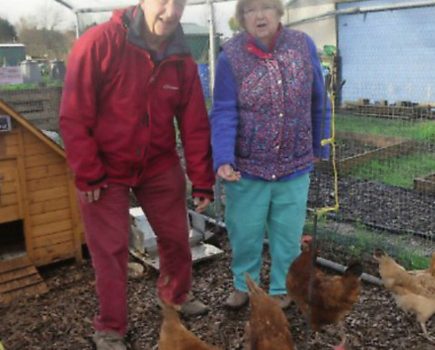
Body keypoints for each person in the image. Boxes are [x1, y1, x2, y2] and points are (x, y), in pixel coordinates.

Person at [59, 0, 215, 348]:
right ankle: (111, 327)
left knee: (177, 236)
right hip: (104, 166)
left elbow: (194, 124)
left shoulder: (182, 60)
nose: (172, 11)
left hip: (157, 162)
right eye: (163, 1)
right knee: (110, 249)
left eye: (180, 2)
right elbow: (73, 114)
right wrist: (88, 173)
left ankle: (175, 296)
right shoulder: (101, 43)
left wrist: (202, 178)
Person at [210, 0, 331, 310]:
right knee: (245, 233)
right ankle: (244, 286)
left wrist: (320, 144)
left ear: (279, 12)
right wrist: (223, 157)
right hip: (247, 169)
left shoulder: (302, 46)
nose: (259, 15)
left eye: (266, 7)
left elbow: (319, 98)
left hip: (295, 165)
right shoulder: (230, 56)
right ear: (241, 18)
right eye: (250, 9)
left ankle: (281, 288)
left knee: (288, 236)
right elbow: (223, 109)